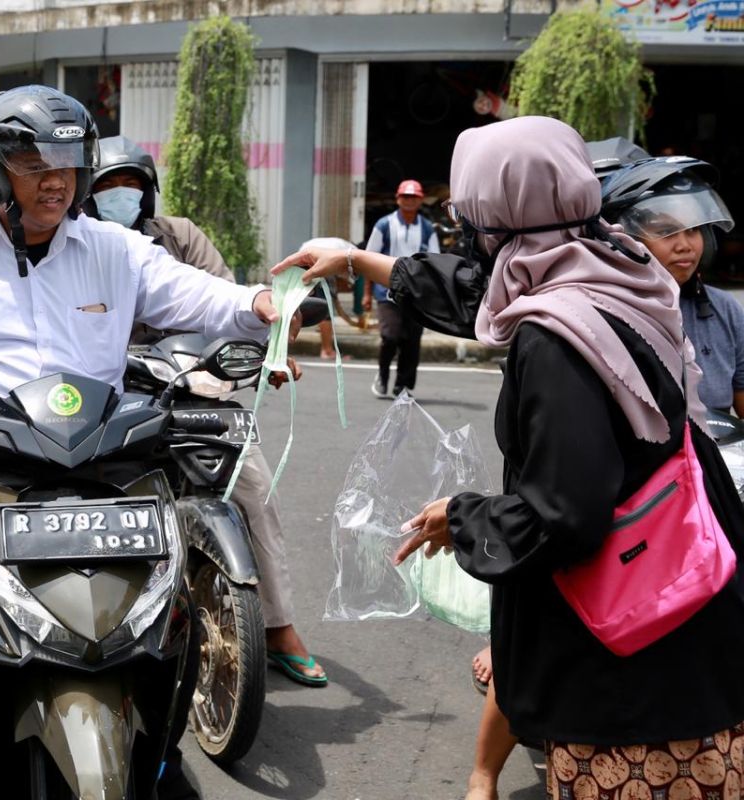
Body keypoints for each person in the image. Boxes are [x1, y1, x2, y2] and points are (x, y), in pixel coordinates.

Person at [276, 116, 744, 800]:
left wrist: (464, 516)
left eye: (473, 214)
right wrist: (353, 258)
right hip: (694, 600)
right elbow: (479, 287)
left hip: (631, 672)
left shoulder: (553, 339)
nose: (469, 230)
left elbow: (565, 515)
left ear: (498, 215)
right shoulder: (615, 263)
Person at [0, 85, 286, 800]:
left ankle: (158, 755)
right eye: (36, 163)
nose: (57, 179)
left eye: (68, 162)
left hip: (105, 461)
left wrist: (258, 305)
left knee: (169, 613)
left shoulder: (113, 248)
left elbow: (194, 294)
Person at [84, 134, 327, 686]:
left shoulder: (179, 237)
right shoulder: (79, 246)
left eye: (131, 185)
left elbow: (225, 301)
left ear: (149, 192)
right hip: (109, 400)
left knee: (255, 490)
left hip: (194, 388)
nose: (121, 195)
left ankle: (278, 625)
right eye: (108, 186)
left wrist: (272, 353)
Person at [601, 156, 742, 415]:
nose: (685, 245)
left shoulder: (724, 309)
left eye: (692, 230)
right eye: (666, 231)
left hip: (715, 452)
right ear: (625, 239)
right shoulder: (607, 312)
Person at [363, 179, 439, 399]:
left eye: (413, 197)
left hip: (416, 293)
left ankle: (403, 385)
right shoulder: (384, 225)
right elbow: (368, 258)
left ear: (420, 200)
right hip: (386, 289)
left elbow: (433, 261)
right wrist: (367, 294)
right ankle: (383, 375)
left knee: (412, 340)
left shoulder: (426, 229)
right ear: (397, 199)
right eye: (405, 197)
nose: (408, 201)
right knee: (390, 335)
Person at [301, 237, 354, 357]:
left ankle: (326, 348)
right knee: (325, 311)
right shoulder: (352, 253)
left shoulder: (341, 246)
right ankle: (327, 350)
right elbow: (348, 280)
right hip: (318, 262)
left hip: (304, 257)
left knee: (319, 305)